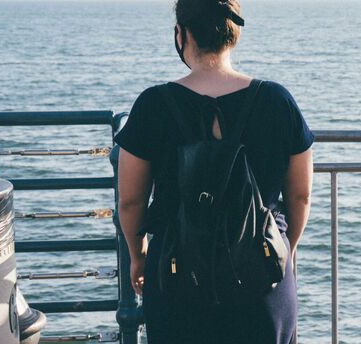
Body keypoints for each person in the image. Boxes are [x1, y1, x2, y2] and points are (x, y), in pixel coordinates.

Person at [114, 0, 314, 342]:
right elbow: (300, 195)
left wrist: (138, 255)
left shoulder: (153, 105)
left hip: (176, 276)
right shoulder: (277, 102)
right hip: (261, 274)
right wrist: (286, 249)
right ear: (233, 34)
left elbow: (131, 202)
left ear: (181, 34)